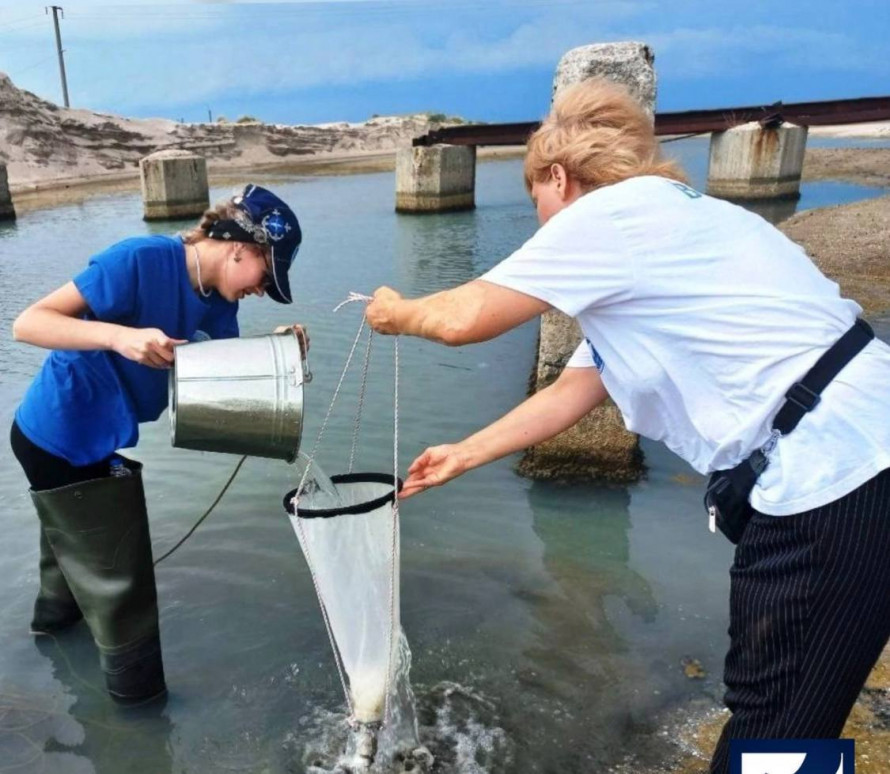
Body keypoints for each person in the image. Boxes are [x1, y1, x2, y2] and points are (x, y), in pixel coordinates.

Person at [364, 79, 890, 772]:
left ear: (559, 176)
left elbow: (462, 319)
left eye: (537, 203)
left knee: (776, 726)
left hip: (832, 474)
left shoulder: (609, 217)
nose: (541, 223)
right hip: (864, 448)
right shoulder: (678, 223)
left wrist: (394, 310)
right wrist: (465, 453)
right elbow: (578, 387)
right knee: (798, 710)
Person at [10, 183, 305, 706]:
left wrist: (281, 349)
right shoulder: (139, 259)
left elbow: (225, 379)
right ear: (242, 247)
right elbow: (27, 324)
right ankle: (140, 709)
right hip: (55, 436)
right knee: (120, 585)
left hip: (99, 442)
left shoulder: (216, 305)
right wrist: (119, 336)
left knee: (71, 552)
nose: (264, 289)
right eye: (268, 274)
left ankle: (49, 636)